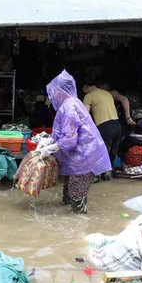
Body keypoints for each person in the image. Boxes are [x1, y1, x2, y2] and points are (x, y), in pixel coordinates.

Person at [36, 70, 111, 214]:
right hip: (75, 159)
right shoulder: (71, 103)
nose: (52, 96)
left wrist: (50, 149)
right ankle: (67, 227)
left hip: (83, 159)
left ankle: (79, 227)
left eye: (54, 92)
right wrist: (48, 141)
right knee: (68, 193)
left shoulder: (69, 106)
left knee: (77, 196)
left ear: (60, 90)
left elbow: (69, 140)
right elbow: (63, 132)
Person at [81, 75, 121, 182]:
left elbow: (85, 115)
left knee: (100, 151)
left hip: (105, 126)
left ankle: (96, 176)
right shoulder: (107, 93)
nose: (84, 92)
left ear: (86, 87)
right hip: (117, 125)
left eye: (83, 89)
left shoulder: (88, 96)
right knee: (112, 151)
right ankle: (107, 174)